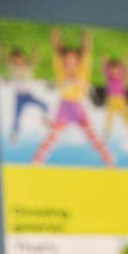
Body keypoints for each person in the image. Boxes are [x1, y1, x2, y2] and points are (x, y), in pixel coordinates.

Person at [31, 27, 114, 166]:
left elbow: (87, 54)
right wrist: (55, 36)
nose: (69, 63)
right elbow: (56, 53)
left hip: (78, 107)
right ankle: (37, 160)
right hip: (64, 107)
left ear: (78, 61)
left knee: (91, 133)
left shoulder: (82, 70)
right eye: (66, 60)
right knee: (53, 136)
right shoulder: (60, 71)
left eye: (73, 60)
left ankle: (109, 160)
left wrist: (86, 38)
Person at [6, 46, 49, 143]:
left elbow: (34, 61)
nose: (18, 62)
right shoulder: (13, 68)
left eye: (20, 59)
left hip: (28, 95)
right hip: (19, 97)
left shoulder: (28, 67)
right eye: (16, 60)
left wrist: (36, 51)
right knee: (17, 116)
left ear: (23, 59)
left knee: (44, 105)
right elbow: (7, 60)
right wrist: (4, 49)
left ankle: (45, 118)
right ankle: (14, 133)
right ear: (14, 61)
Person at [100, 55, 128, 145]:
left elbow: (125, 71)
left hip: (121, 100)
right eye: (113, 70)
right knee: (109, 119)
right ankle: (106, 135)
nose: (115, 72)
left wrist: (125, 63)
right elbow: (105, 71)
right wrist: (104, 62)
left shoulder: (122, 77)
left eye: (117, 70)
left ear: (119, 70)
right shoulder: (109, 77)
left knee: (127, 119)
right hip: (111, 100)